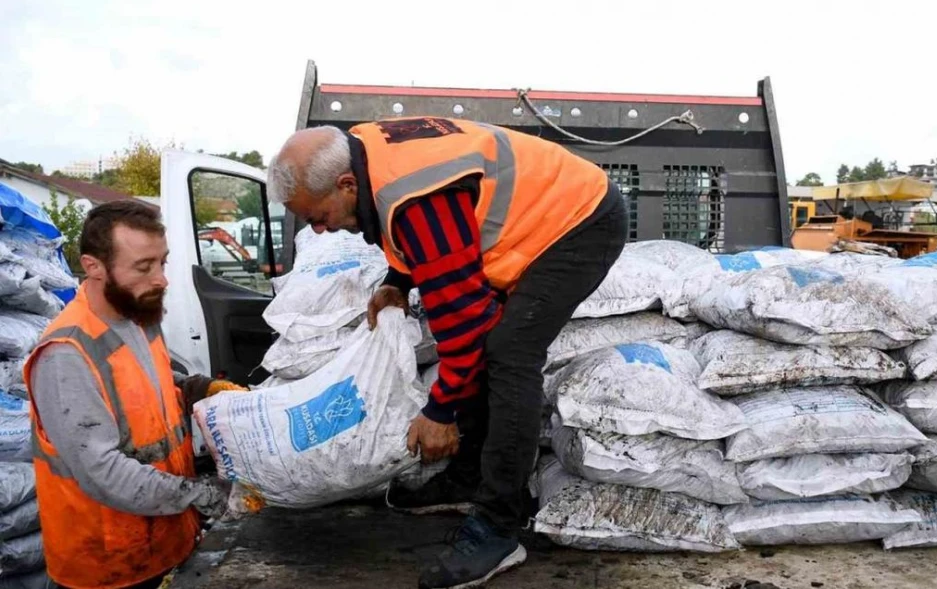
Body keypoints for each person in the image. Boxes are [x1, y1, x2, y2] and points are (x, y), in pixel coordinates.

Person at [268, 117, 627, 589]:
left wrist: (440, 412)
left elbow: (466, 327)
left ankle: (500, 526)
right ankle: (468, 478)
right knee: (489, 345)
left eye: (317, 216)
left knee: (507, 353)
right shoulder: (363, 153)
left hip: (582, 221)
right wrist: (397, 281)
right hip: (544, 216)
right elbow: (413, 235)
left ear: (346, 183)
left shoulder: (416, 197)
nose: (319, 230)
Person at [23, 200, 242, 589]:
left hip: (162, 542)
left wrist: (195, 389)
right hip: (108, 565)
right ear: (93, 267)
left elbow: (145, 389)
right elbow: (101, 472)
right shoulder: (65, 354)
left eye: (162, 263)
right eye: (144, 267)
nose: (161, 279)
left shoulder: (138, 314)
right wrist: (196, 494)